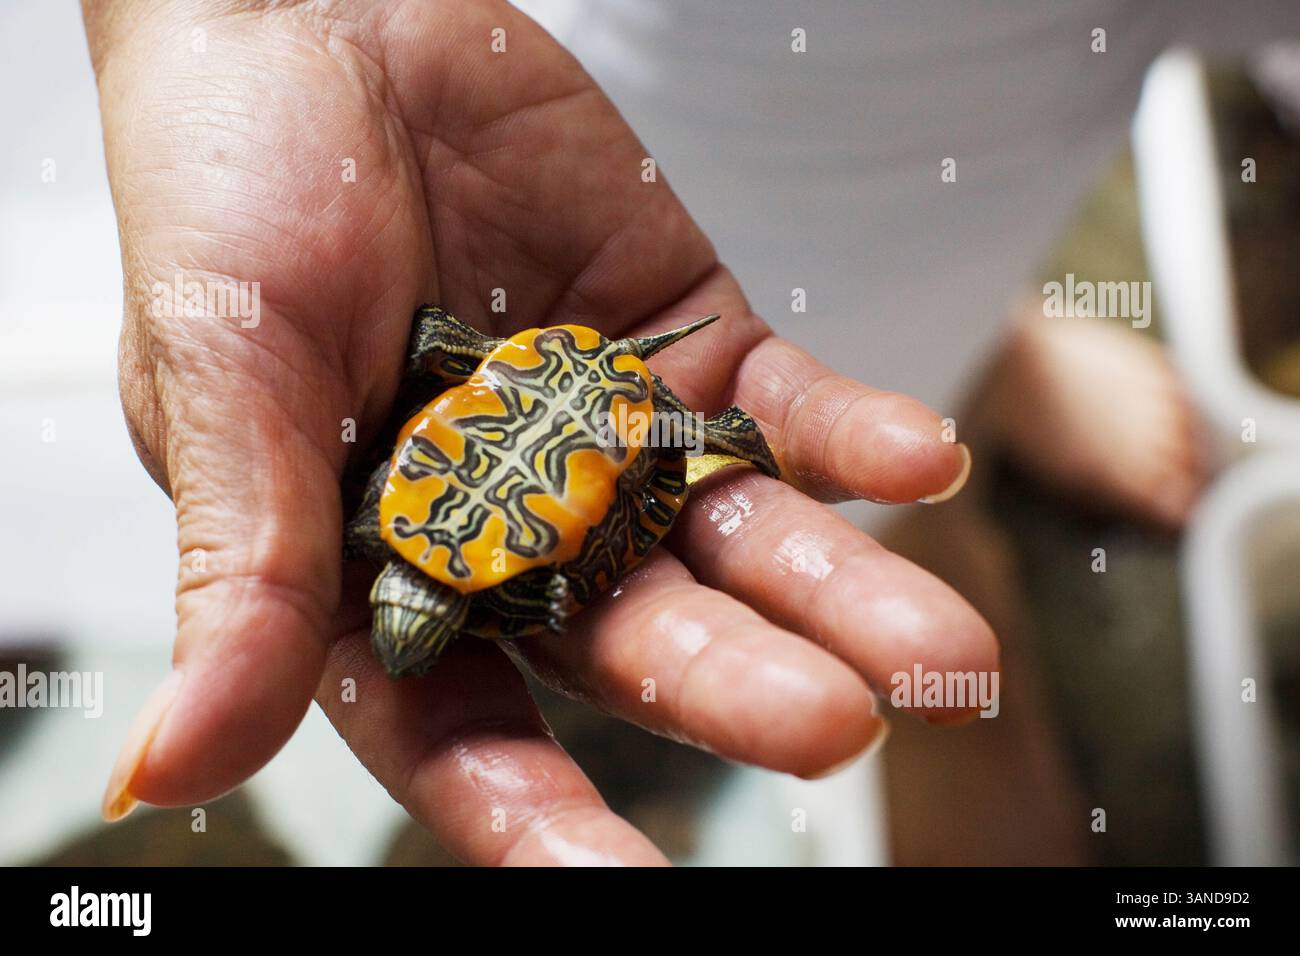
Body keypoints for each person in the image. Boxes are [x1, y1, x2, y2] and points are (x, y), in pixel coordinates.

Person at [83, 0, 993, 866]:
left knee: (882, 300)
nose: (413, 650)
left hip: (595, 402)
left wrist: (546, 599)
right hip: (532, 365)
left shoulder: (411, 540)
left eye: (426, 628)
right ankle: (989, 354)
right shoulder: (395, 527)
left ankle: (981, 350)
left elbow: (552, 586)